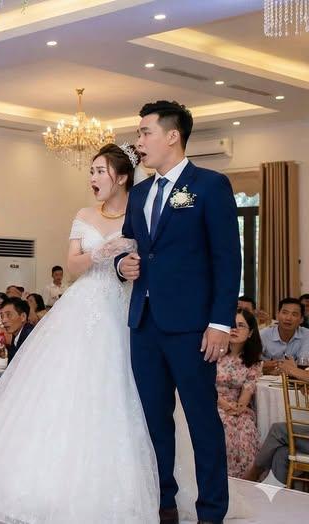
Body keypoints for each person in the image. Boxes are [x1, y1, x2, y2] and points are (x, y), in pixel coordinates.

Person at [0, 144, 162, 523]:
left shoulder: (140, 215)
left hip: (124, 307)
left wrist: (127, 263)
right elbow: (73, 265)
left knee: (120, 388)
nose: (92, 178)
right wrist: (103, 253)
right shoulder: (84, 214)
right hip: (84, 305)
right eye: (91, 171)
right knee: (65, 387)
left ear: (122, 177)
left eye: (100, 171)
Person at [116, 100, 241, 524]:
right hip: (144, 324)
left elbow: (228, 259)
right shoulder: (139, 193)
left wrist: (220, 322)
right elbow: (130, 247)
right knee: (153, 421)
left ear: (172, 136)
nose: (138, 141)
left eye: (145, 132)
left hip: (192, 327)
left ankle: (211, 512)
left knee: (202, 420)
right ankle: (163, 503)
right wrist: (122, 265)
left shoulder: (209, 185)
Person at [217, 309, 263, 478]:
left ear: (250, 333)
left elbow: (247, 391)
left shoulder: (253, 362)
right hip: (211, 402)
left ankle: (243, 481)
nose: (234, 329)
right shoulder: (213, 353)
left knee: (246, 427)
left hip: (236, 407)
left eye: (241, 325)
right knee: (225, 426)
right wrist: (224, 405)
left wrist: (239, 407)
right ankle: (222, 477)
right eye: (231, 325)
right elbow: (204, 385)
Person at [260, 298, 308, 375]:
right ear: (277, 315)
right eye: (285, 313)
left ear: (301, 319)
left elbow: (304, 363)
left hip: (296, 380)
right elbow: (251, 363)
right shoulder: (263, 335)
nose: (288, 318)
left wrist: (277, 365)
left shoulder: (306, 335)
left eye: (294, 314)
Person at [0, 297, 33, 362]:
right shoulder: (17, 334)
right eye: (2, 316)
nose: (3, 320)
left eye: (8, 315)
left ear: (23, 317)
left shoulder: (29, 337)